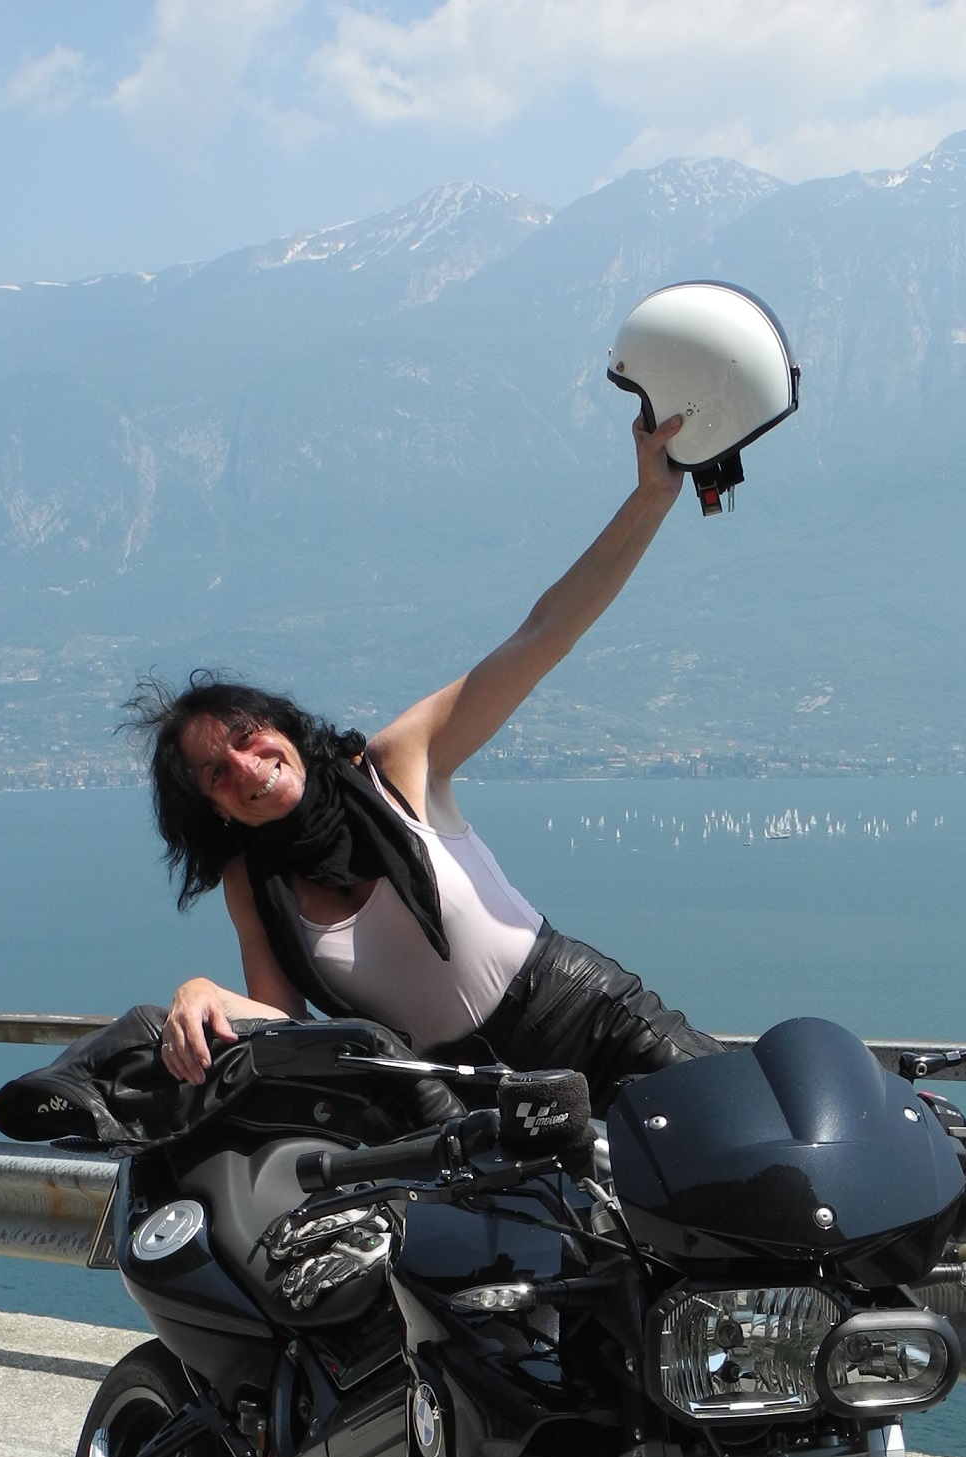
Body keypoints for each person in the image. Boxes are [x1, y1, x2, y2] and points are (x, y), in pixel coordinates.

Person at [133, 410, 716, 1116]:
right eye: (216, 773)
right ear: (213, 810)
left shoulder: (393, 765)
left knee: (751, 1135)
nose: (246, 766)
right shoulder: (251, 882)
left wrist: (652, 497)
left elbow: (543, 634)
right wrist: (200, 992)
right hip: (470, 1096)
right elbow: (282, 1023)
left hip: (586, 1018)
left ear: (280, 726)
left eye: (245, 735)